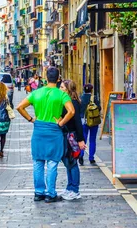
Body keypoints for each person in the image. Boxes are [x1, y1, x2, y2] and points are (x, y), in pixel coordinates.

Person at [17, 66, 75, 203]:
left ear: (46, 77)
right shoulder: (61, 94)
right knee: (52, 163)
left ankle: (38, 192)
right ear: (58, 78)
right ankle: (50, 193)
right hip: (54, 131)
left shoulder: (36, 93)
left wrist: (31, 119)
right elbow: (71, 111)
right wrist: (61, 123)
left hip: (39, 129)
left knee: (38, 162)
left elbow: (19, 107)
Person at [60, 80, 85, 201]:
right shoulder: (67, 101)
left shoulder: (73, 103)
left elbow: (78, 123)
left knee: (73, 162)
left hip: (72, 136)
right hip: (67, 135)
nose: (60, 89)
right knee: (68, 162)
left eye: (62, 87)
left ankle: (75, 189)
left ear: (68, 90)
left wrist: (80, 140)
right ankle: (70, 187)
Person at [80, 83, 101, 165]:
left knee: (83, 139)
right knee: (92, 139)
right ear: (91, 90)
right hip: (93, 121)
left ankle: (81, 155)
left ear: (84, 89)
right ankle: (91, 157)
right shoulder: (94, 98)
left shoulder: (81, 98)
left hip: (84, 122)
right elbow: (99, 108)